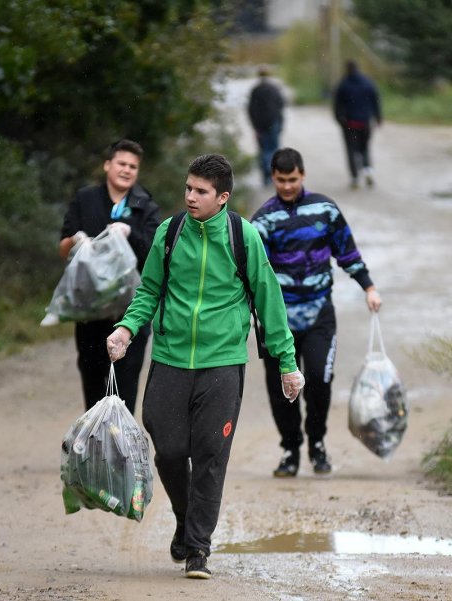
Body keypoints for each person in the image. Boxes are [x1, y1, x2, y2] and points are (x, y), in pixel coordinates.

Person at [105, 153, 304, 580]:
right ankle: (185, 516)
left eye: (200, 191)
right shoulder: (170, 232)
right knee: (171, 449)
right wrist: (126, 329)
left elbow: (270, 302)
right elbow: (150, 290)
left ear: (223, 197)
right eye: (188, 188)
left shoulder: (243, 237)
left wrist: (288, 364)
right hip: (170, 359)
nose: (190, 197)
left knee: (210, 456)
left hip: (222, 364)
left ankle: (198, 548)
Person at [251, 147, 382, 479]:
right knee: (283, 388)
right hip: (277, 320)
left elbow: (347, 251)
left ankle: (318, 443)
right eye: (280, 181)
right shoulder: (263, 220)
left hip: (319, 312)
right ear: (273, 178)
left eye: (292, 180)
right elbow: (252, 273)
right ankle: (290, 449)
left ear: (303, 175)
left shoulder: (325, 209)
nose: (287, 187)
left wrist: (368, 287)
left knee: (319, 382)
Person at [59, 139, 161, 415]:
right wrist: (76, 241)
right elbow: (63, 247)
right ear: (107, 165)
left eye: (133, 166)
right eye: (121, 164)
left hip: (130, 314)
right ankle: (94, 449)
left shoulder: (145, 206)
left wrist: (130, 234)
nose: (126, 170)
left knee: (124, 389)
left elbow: (155, 253)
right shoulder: (85, 199)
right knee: (92, 383)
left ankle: (120, 450)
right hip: (90, 310)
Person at [333, 59, 382, 190]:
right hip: (365, 122)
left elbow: (337, 104)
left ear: (347, 69)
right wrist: (378, 117)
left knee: (351, 149)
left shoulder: (343, 84)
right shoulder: (368, 82)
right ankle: (368, 172)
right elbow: (376, 100)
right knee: (364, 147)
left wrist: (339, 119)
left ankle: (354, 178)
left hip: (349, 124)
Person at [247, 67, 286, 187]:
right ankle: (275, 174)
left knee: (263, 150)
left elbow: (251, 109)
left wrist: (254, 125)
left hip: (260, 125)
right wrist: (280, 122)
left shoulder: (255, 90)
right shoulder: (274, 88)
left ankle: (266, 176)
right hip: (274, 122)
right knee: (274, 149)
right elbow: (281, 105)